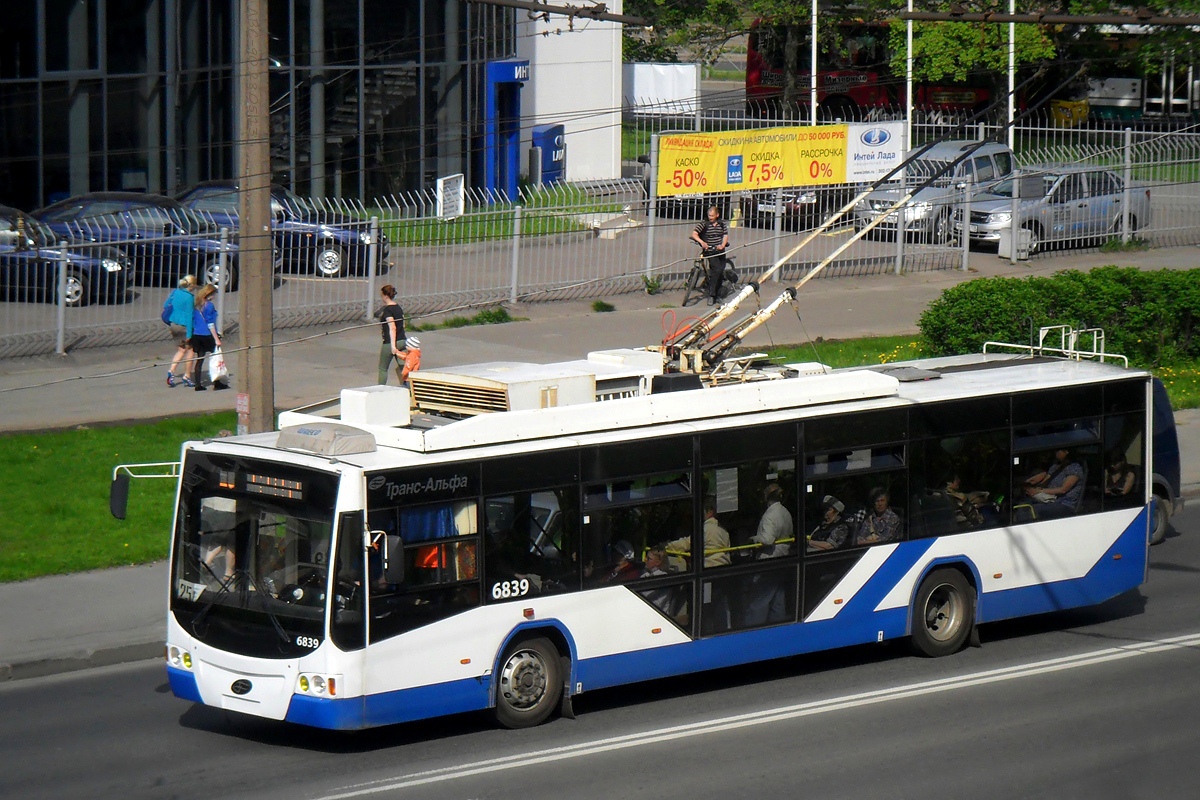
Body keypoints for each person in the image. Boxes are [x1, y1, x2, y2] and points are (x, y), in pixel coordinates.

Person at [744, 484, 794, 626]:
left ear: (766, 497)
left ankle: (753, 631)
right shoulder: (785, 512)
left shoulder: (770, 515)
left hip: (769, 561)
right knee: (777, 601)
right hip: (783, 558)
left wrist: (753, 539)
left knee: (758, 601)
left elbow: (767, 539)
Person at [666, 497, 732, 569]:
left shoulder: (705, 528)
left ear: (710, 512)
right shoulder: (724, 531)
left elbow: (686, 543)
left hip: (708, 567)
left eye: (702, 511)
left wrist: (666, 546)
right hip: (725, 568)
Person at [1022, 448, 1086, 519]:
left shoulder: (1075, 468)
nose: (1056, 452)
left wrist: (1040, 491)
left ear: (1067, 452)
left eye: (1058, 450)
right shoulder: (1056, 465)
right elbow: (1046, 482)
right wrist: (1032, 487)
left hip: (1064, 504)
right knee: (1023, 506)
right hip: (1049, 499)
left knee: (1031, 511)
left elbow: (1063, 490)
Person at [689, 205, 730, 305]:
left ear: (717, 215)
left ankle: (718, 295)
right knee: (716, 270)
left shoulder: (722, 224)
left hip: (720, 250)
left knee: (720, 272)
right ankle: (712, 295)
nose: (710, 217)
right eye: (709, 215)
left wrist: (722, 245)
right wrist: (702, 242)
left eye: (712, 216)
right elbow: (694, 234)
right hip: (710, 251)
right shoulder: (704, 224)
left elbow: (725, 235)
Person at [189, 284, 225, 391]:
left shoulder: (196, 304)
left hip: (197, 335)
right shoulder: (209, 306)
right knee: (215, 358)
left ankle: (197, 384)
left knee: (199, 360)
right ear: (209, 294)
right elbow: (210, 324)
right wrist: (217, 339)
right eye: (213, 294)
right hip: (207, 335)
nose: (214, 296)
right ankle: (216, 382)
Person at [164, 274, 197, 387]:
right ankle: (187, 375)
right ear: (191, 286)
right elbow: (189, 316)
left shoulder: (175, 292)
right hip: (183, 326)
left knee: (181, 350)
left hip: (173, 324)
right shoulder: (189, 297)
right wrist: (189, 334)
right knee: (190, 351)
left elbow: (166, 305)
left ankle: (171, 370)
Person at [377, 284, 406, 384]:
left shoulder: (387, 310)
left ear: (385, 296)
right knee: (403, 367)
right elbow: (403, 323)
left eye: (381, 295)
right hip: (402, 340)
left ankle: (380, 389)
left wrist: (393, 346)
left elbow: (392, 327)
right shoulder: (398, 308)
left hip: (390, 342)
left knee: (383, 368)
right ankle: (408, 388)